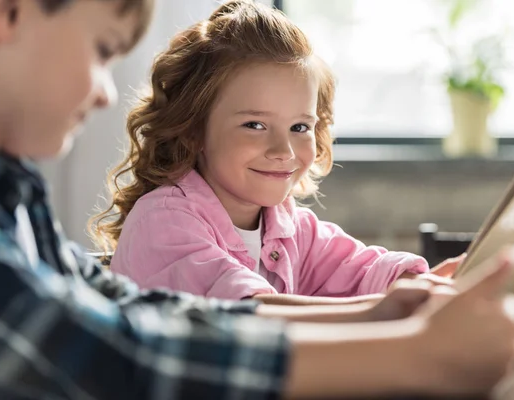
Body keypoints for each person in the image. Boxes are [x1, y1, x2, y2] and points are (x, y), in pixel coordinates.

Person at [0, 0, 514, 398]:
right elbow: (135, 353)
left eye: (300, 126)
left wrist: (409, 294)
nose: (107, 92)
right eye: (103, 51)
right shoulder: (165, 217)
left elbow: (135, 311)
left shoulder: (15, 195)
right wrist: (415, 353)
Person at [92, 0, 461, 303]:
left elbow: (362, 269)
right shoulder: (162, 220)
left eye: (300, 127)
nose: (283, 150)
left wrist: (419, 281)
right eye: (255, 125)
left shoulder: (289, 227)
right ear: (193, 130)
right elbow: (251, 316)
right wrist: (380, 310)